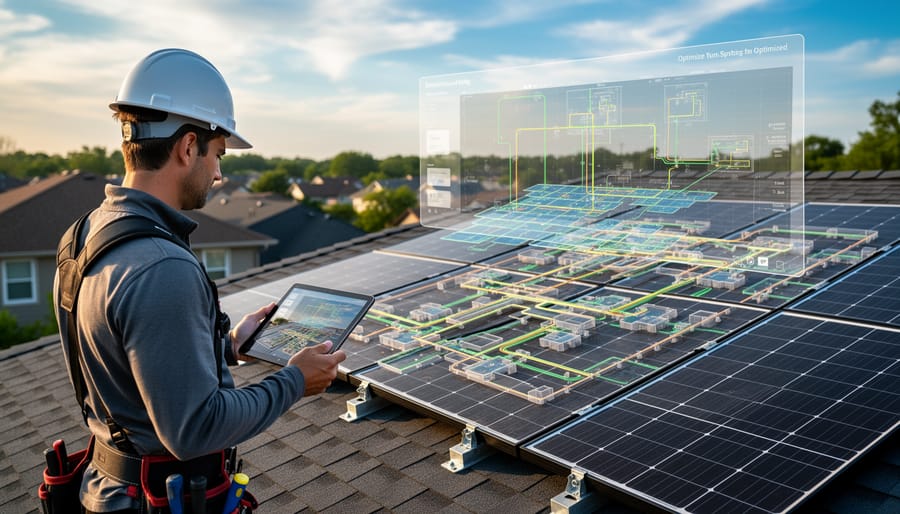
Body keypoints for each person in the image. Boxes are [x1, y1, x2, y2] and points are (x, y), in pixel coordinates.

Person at [53, 48, 346, 513]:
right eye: (217, 154)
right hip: (158, 500)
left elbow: (130, 363)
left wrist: (228, 346)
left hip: (107, 486)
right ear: (188, 146)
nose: (219, 172)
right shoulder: (160, 266)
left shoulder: (85, 235)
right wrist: (295, 380)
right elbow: (194, 430)